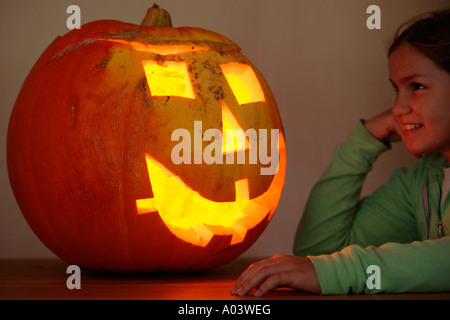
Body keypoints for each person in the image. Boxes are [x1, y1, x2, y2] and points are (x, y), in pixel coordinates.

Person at [231, 9, 450, 296]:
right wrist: (364, 141)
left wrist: (337, 271)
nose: (398, 107)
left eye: (417, 86)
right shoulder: (421, 182)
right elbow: (318, 250)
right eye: (396, 89)